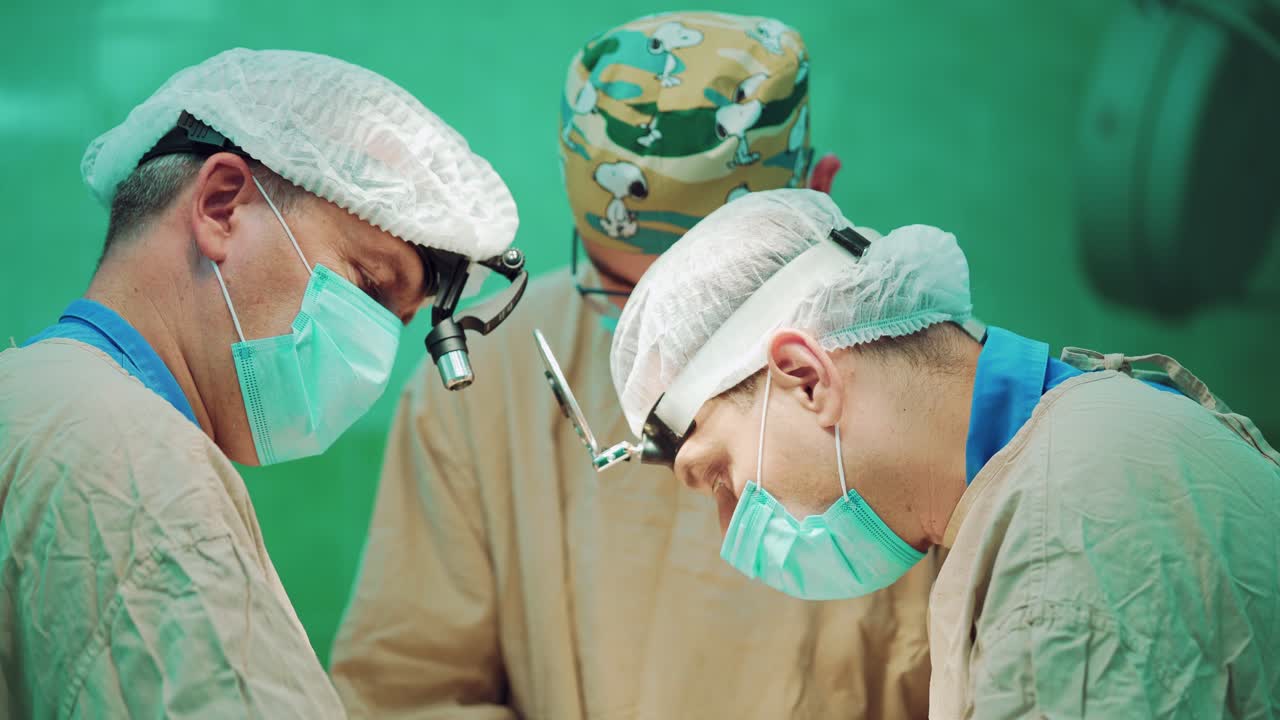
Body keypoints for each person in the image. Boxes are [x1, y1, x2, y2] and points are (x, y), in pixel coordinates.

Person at [330, 12, 936, 719]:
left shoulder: (922, 389)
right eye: (621, 293)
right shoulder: (490, 382)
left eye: (715, 312)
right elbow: (406, 690)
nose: (660, 352)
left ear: (819, 200)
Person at [608, 188, 1280, 718]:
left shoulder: (1058, 568)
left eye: (719, 473)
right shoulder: (1092, 428)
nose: (731, 526)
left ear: (806, 377)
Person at [0, 48, 519, 717]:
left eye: (398, 321)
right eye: (368, 286)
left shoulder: (34, 397)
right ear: (220, 205)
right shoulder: (139, 466)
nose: (375, 350)